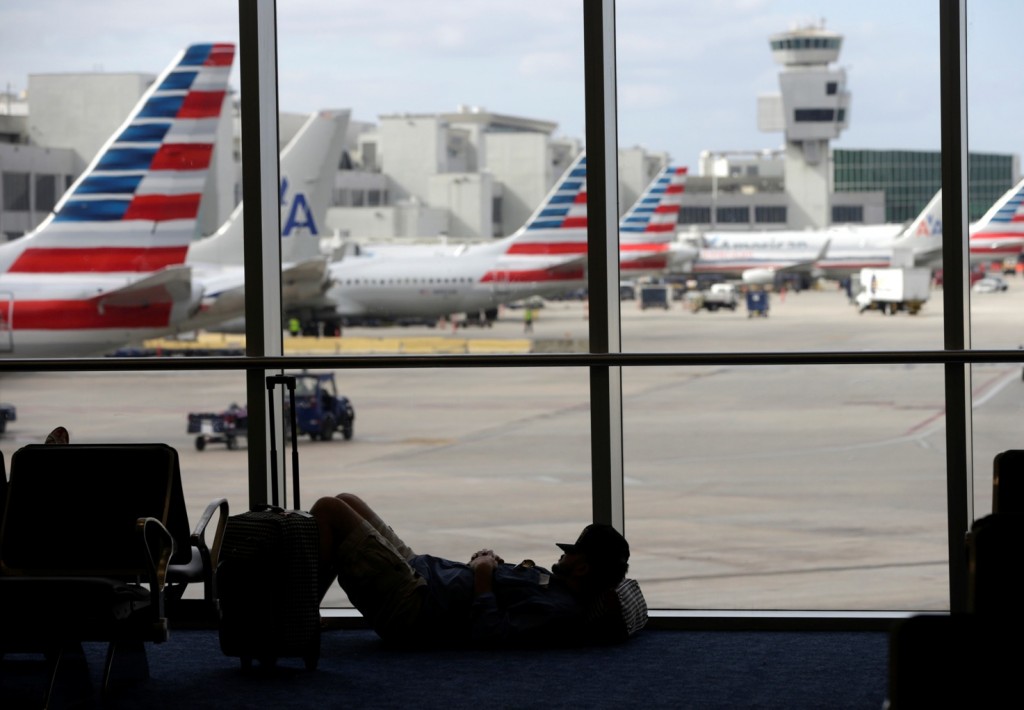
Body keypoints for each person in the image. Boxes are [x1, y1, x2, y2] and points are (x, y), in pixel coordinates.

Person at [311, 493, 631, 648]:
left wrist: (481, 575)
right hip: (422, 570)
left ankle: (298, 617)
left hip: (414, 603)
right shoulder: (559, 590)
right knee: (347, 501)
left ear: (584, 568)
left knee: (329, 510)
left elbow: (489, 634)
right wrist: (488, 565)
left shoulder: (559, 610)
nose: (563, 555)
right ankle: (305, 612)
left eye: (572, 553)